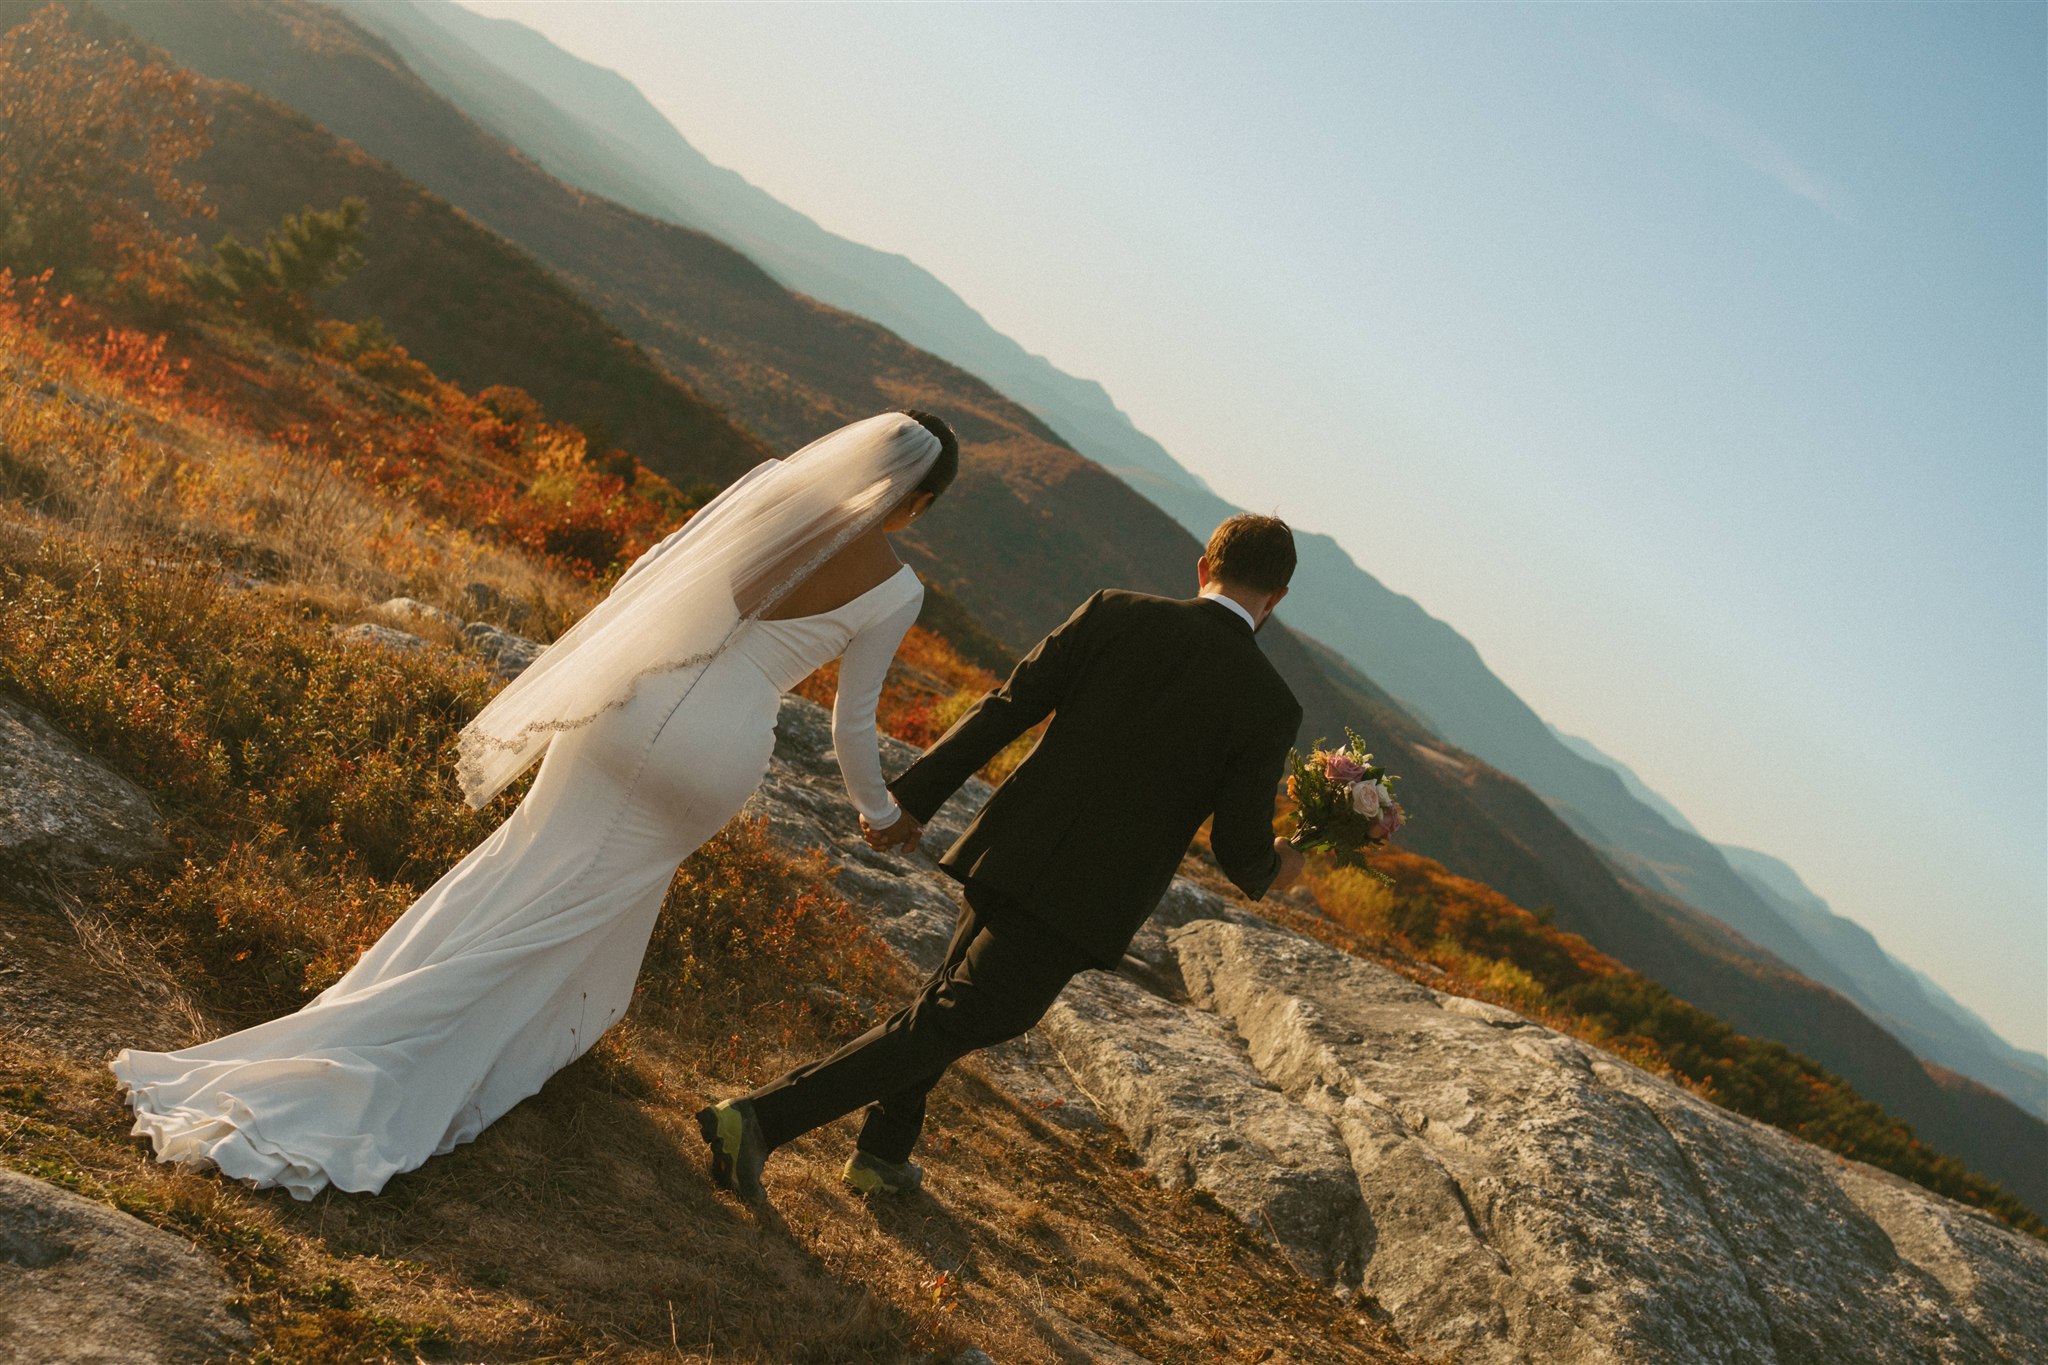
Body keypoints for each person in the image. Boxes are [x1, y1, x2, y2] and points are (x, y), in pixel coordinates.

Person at [110, 410, 959, 1200]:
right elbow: (852, 725)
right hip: (720, 748)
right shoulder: (896, 589)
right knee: (575, 912)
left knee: (521, 869)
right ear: (918, 502)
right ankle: (417, 1049)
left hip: (626, 710)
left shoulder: (770, 491)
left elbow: (646, 578)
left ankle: (386, 1016)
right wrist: (881, 813)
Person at [698, 513, 1306, 1202]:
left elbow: (1009, 706)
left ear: (1204, 567)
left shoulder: (1114, 611)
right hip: (1084, 900)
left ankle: (882, 1151)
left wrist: (916, 799)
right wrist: (1282, 865)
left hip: (1010, 848)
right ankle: (755, 1120)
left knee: (942, 1004)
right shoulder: (1269, 704)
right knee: (952, 1018)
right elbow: (1238, 847)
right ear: (1276, 600)